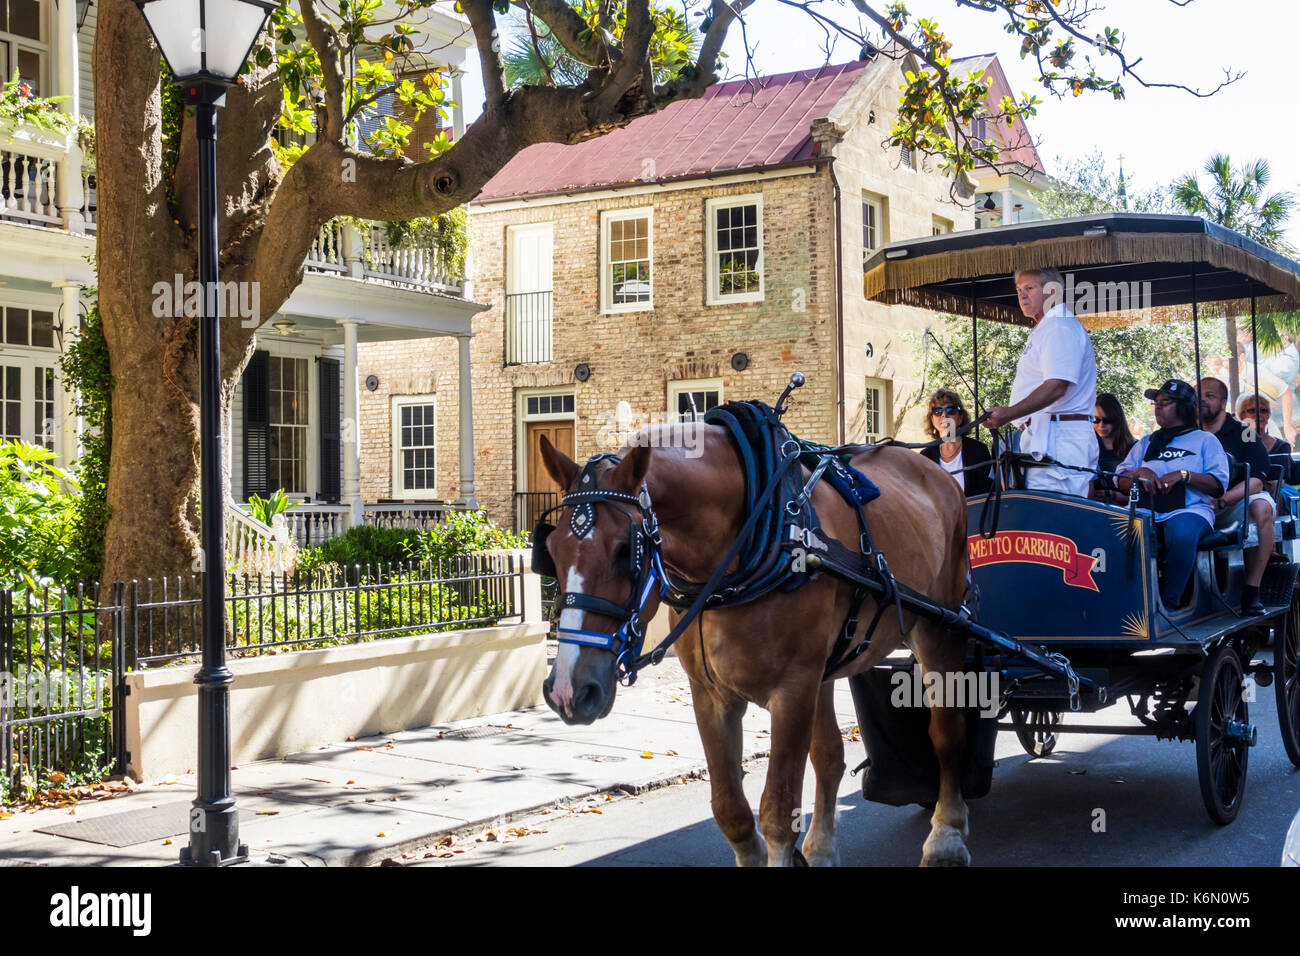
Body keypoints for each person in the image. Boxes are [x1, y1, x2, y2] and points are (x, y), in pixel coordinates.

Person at [1115, 380, 1229, 611]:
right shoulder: (1146, 442)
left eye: (1165, 402)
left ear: (1185, 407)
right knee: (1115, 533)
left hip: (1190, 509)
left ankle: (1168, 606)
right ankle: (1124, 602)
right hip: (1146, 510)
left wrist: (1184, 475)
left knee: (1183, 534)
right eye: (1156, 403)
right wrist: (1139, 472)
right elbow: (1119, 480)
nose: (1158, 407)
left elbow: (1218, 485)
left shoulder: (1205, 440)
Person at [985, 267, 1098, 495]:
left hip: (1060, 437)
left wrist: (1009, 413)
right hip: (1047, 435)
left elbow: (1056, 386)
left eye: (1029, 288)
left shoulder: (1059, 325)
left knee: (1052, 519)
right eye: (1019, 290)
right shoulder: (1047, 327)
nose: (1022, 295)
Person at [1200, 377, 1273, 615]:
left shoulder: (1244, 434)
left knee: (1262, 507)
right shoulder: (1186, 433)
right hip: (1194, 503)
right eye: (1198, 396)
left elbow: (1257, 479)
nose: (1202, 400)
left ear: (1223, 403)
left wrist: (1223, 500)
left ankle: (1252, 590)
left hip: (1232, 504)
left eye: (1209, 396)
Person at [919, 389, 994, 497]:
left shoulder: (978, 450)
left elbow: (988, 494)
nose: (944, 415)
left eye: (950, 410)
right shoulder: (925, 456)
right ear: (932, 419)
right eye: (938, 411)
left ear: (960, 417)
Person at [1237, 391, 1299, 492]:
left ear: (1268, 415)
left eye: (1263, 410)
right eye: (1252, 410)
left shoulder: (1281, 446)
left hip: (1275, 493)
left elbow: (1278, 483)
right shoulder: (1235, 444)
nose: (1258, 415)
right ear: (1242, 415)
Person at [1092, 392, 1137, 500]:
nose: (1101, 425)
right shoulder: (1088, 445)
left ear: (1117, 420)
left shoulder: (1135, 448)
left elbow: (1141, 494)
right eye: (1096, 420)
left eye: (1107, 420)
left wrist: (1115, 495)